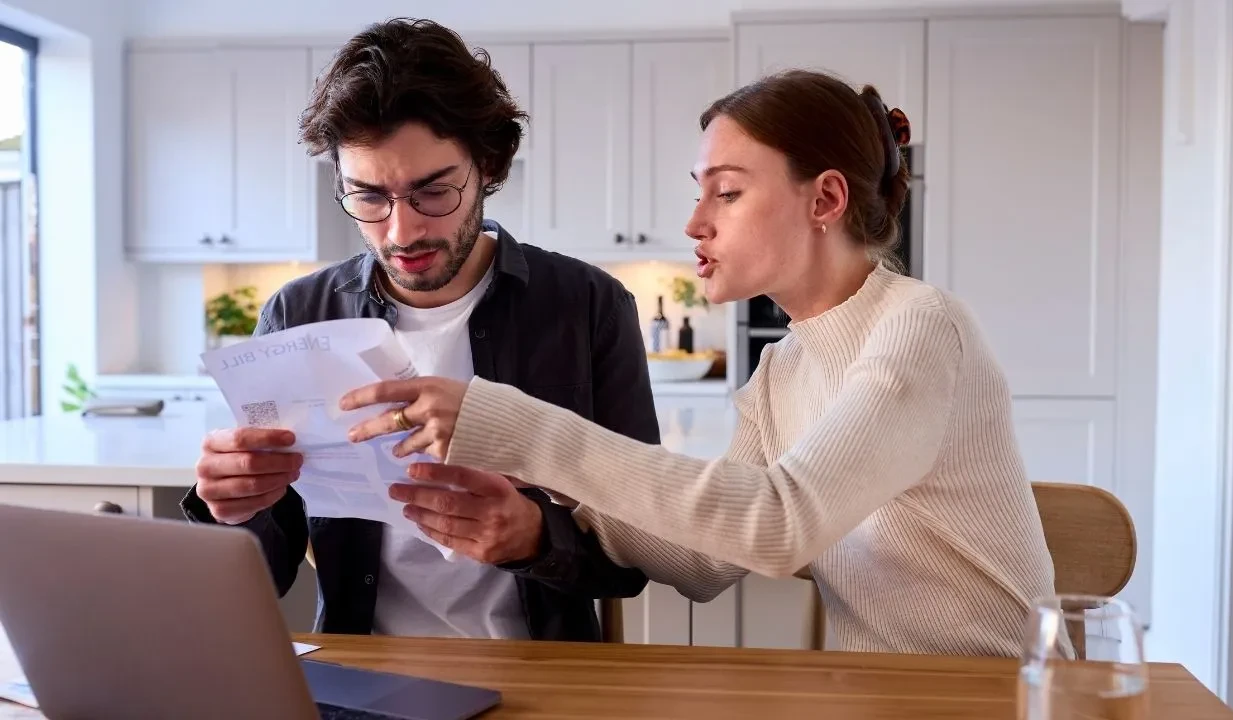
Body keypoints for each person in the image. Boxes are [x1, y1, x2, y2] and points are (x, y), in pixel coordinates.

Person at [338, 70, 1059, 657]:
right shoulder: (783, 371)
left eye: (728, 192)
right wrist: (541, 501)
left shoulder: (921, 326)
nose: (695, 222)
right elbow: (703, 563)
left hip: (999, 696)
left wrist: (517, 428)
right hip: (876, 697)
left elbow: (778, 524)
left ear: (826, 199)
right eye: (699, 190)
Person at [180, 17, 655, 643]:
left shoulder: (588, 306)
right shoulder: (299, 314)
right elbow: (265, 573)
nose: (402, 232)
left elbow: (638, 555)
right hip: (364, 664)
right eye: (369, 197)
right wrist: (230, 508)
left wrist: (535, 538)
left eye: (433, 192)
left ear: (488, 165)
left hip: (544, 669)